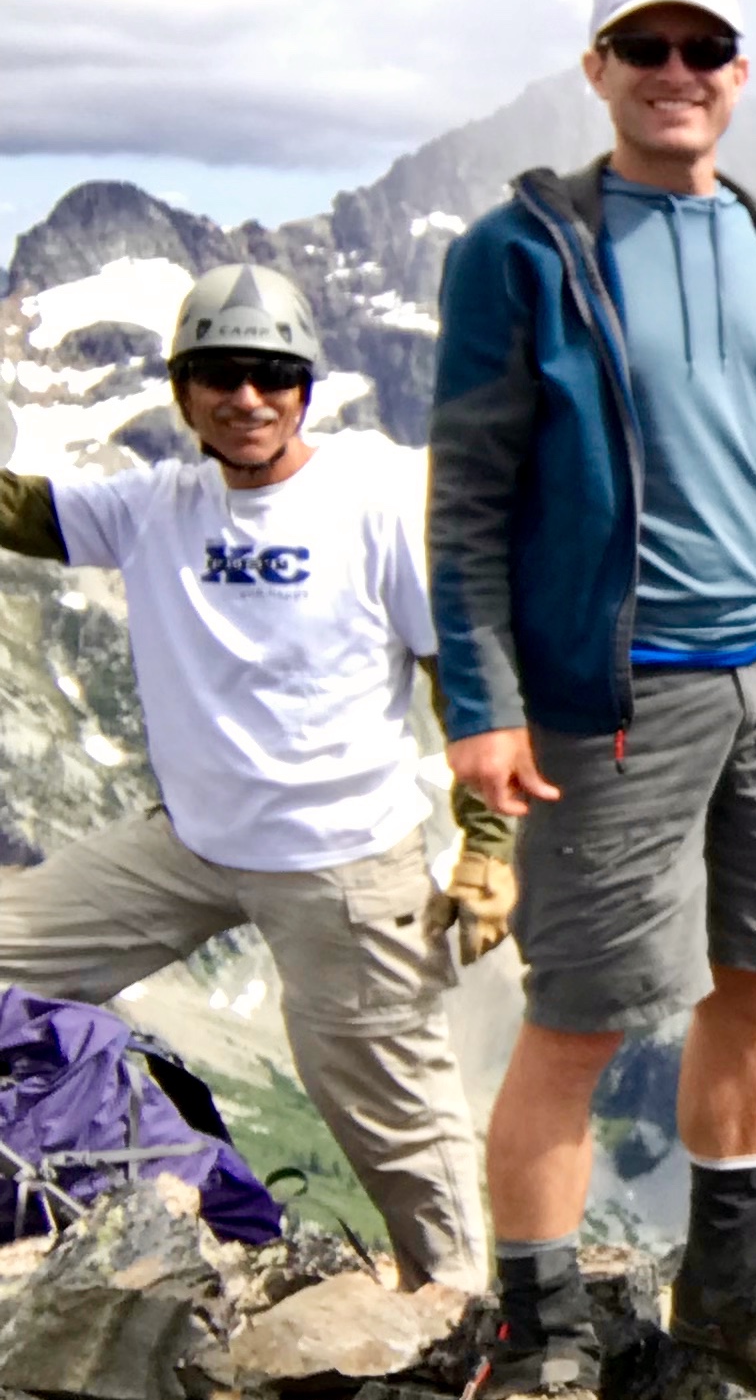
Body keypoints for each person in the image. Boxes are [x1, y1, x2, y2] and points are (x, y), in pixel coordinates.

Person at [430, 0, 756, 1400]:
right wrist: (483, 705)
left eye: (705, 46)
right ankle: (537, 1332)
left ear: (740, 72)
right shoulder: (522, 249)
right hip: (612, 699)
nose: (676, 69)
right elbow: (471, 497)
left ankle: (732, 1283)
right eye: (646, 46)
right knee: (575, 1016)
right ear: (598, 70)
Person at [0, 264, 493, 1289]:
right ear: (183, 391)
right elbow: (20, 511)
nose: (248, 397)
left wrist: (490, 841)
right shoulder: (151, 506)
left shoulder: (371, 507)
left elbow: (467, 674)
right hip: (186, 845)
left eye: (273, 372)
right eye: (220, 373)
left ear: (306, 385)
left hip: (342, 867)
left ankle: (470, 1321)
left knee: (395, 1117)